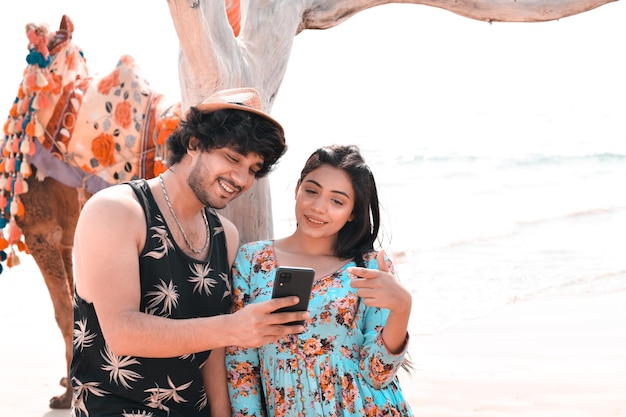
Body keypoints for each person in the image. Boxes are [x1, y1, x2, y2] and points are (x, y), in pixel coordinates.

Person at [69, 87, 310, 417]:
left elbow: (212, 351)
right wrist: (234, 327)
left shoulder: (224, 234)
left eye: (254, 169)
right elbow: (123, 332)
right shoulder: (116, 211)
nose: (241, 178)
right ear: (195, 144)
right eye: (233, 157)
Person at [226, 144, 414, 416]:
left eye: (336, 201)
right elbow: (240, 365)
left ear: (352, 212)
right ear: (297, 189)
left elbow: (378, 374)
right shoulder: (252, 260)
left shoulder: (371, 266)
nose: (318, 207)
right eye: (311, 191)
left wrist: (402, 308)